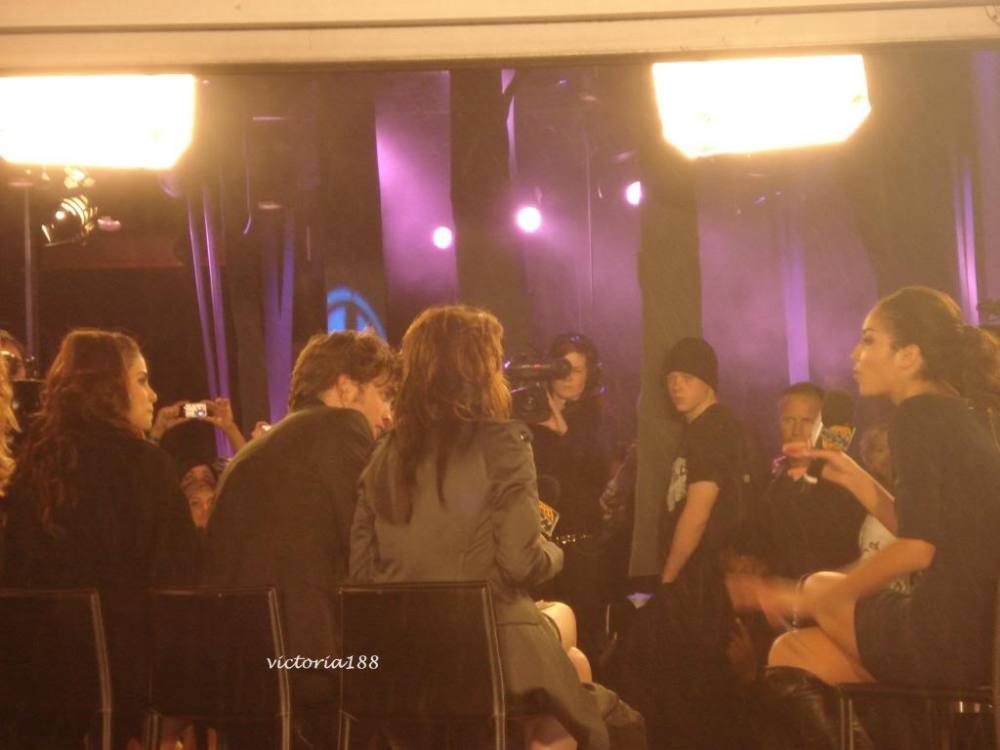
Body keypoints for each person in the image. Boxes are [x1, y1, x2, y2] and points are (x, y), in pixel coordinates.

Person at [736, 286, 1000, 747]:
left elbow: (917, 550)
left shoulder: (918, 414)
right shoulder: (957, 413)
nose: (854, 353)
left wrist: (803, 597)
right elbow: (929, 530)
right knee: (792, 652)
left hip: (945, 631)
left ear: (909, 356)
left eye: (869, 339)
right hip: (977, 636)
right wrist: (857, 479)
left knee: (817, 586)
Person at [350, 305, 610, 750]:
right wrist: (554, 551)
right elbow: (520, 563)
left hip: (403, 657)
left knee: (573, 667)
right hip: (481, 645)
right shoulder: (503, 442)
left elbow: (361, 573)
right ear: (481, 371)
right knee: (570, 647)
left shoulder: (382, 455)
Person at [2, 329, 199, 748]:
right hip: (124, 686)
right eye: (141, 380)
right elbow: (179, 588)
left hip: (35, 688)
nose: (153, 394)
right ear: (110, 389)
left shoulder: (33, 468)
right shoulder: (146, 467)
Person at [203, 329, 397, 747]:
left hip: (236, 674)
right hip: (312, 669)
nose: (388, 415)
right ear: (345, 388)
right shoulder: (343, 428)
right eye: (383, 395)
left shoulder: (251, 454)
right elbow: (373, 550)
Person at [750, 382, 866, 580]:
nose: (796, 430)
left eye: (807, 421)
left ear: (823, 426)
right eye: (788, 420)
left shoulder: (844, 483)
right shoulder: (767, 485)